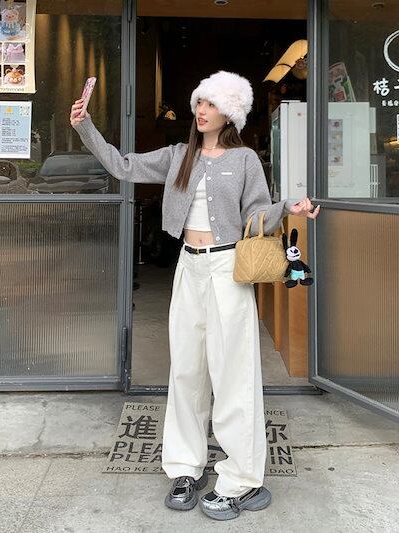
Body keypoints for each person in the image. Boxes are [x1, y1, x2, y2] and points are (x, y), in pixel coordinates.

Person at [70, 70, 320, 521]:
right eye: (200, 102)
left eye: (212, 104)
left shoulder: (244, 160)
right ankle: (185, 467)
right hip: (189, 266)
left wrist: (288, 206)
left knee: (233, 375)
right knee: (186, 371)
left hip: (228, 270)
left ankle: (242, 478)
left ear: (231, 114)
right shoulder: (178, 156)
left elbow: (256, 214)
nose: (202, 111)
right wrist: (85, 126)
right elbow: (123, 165)